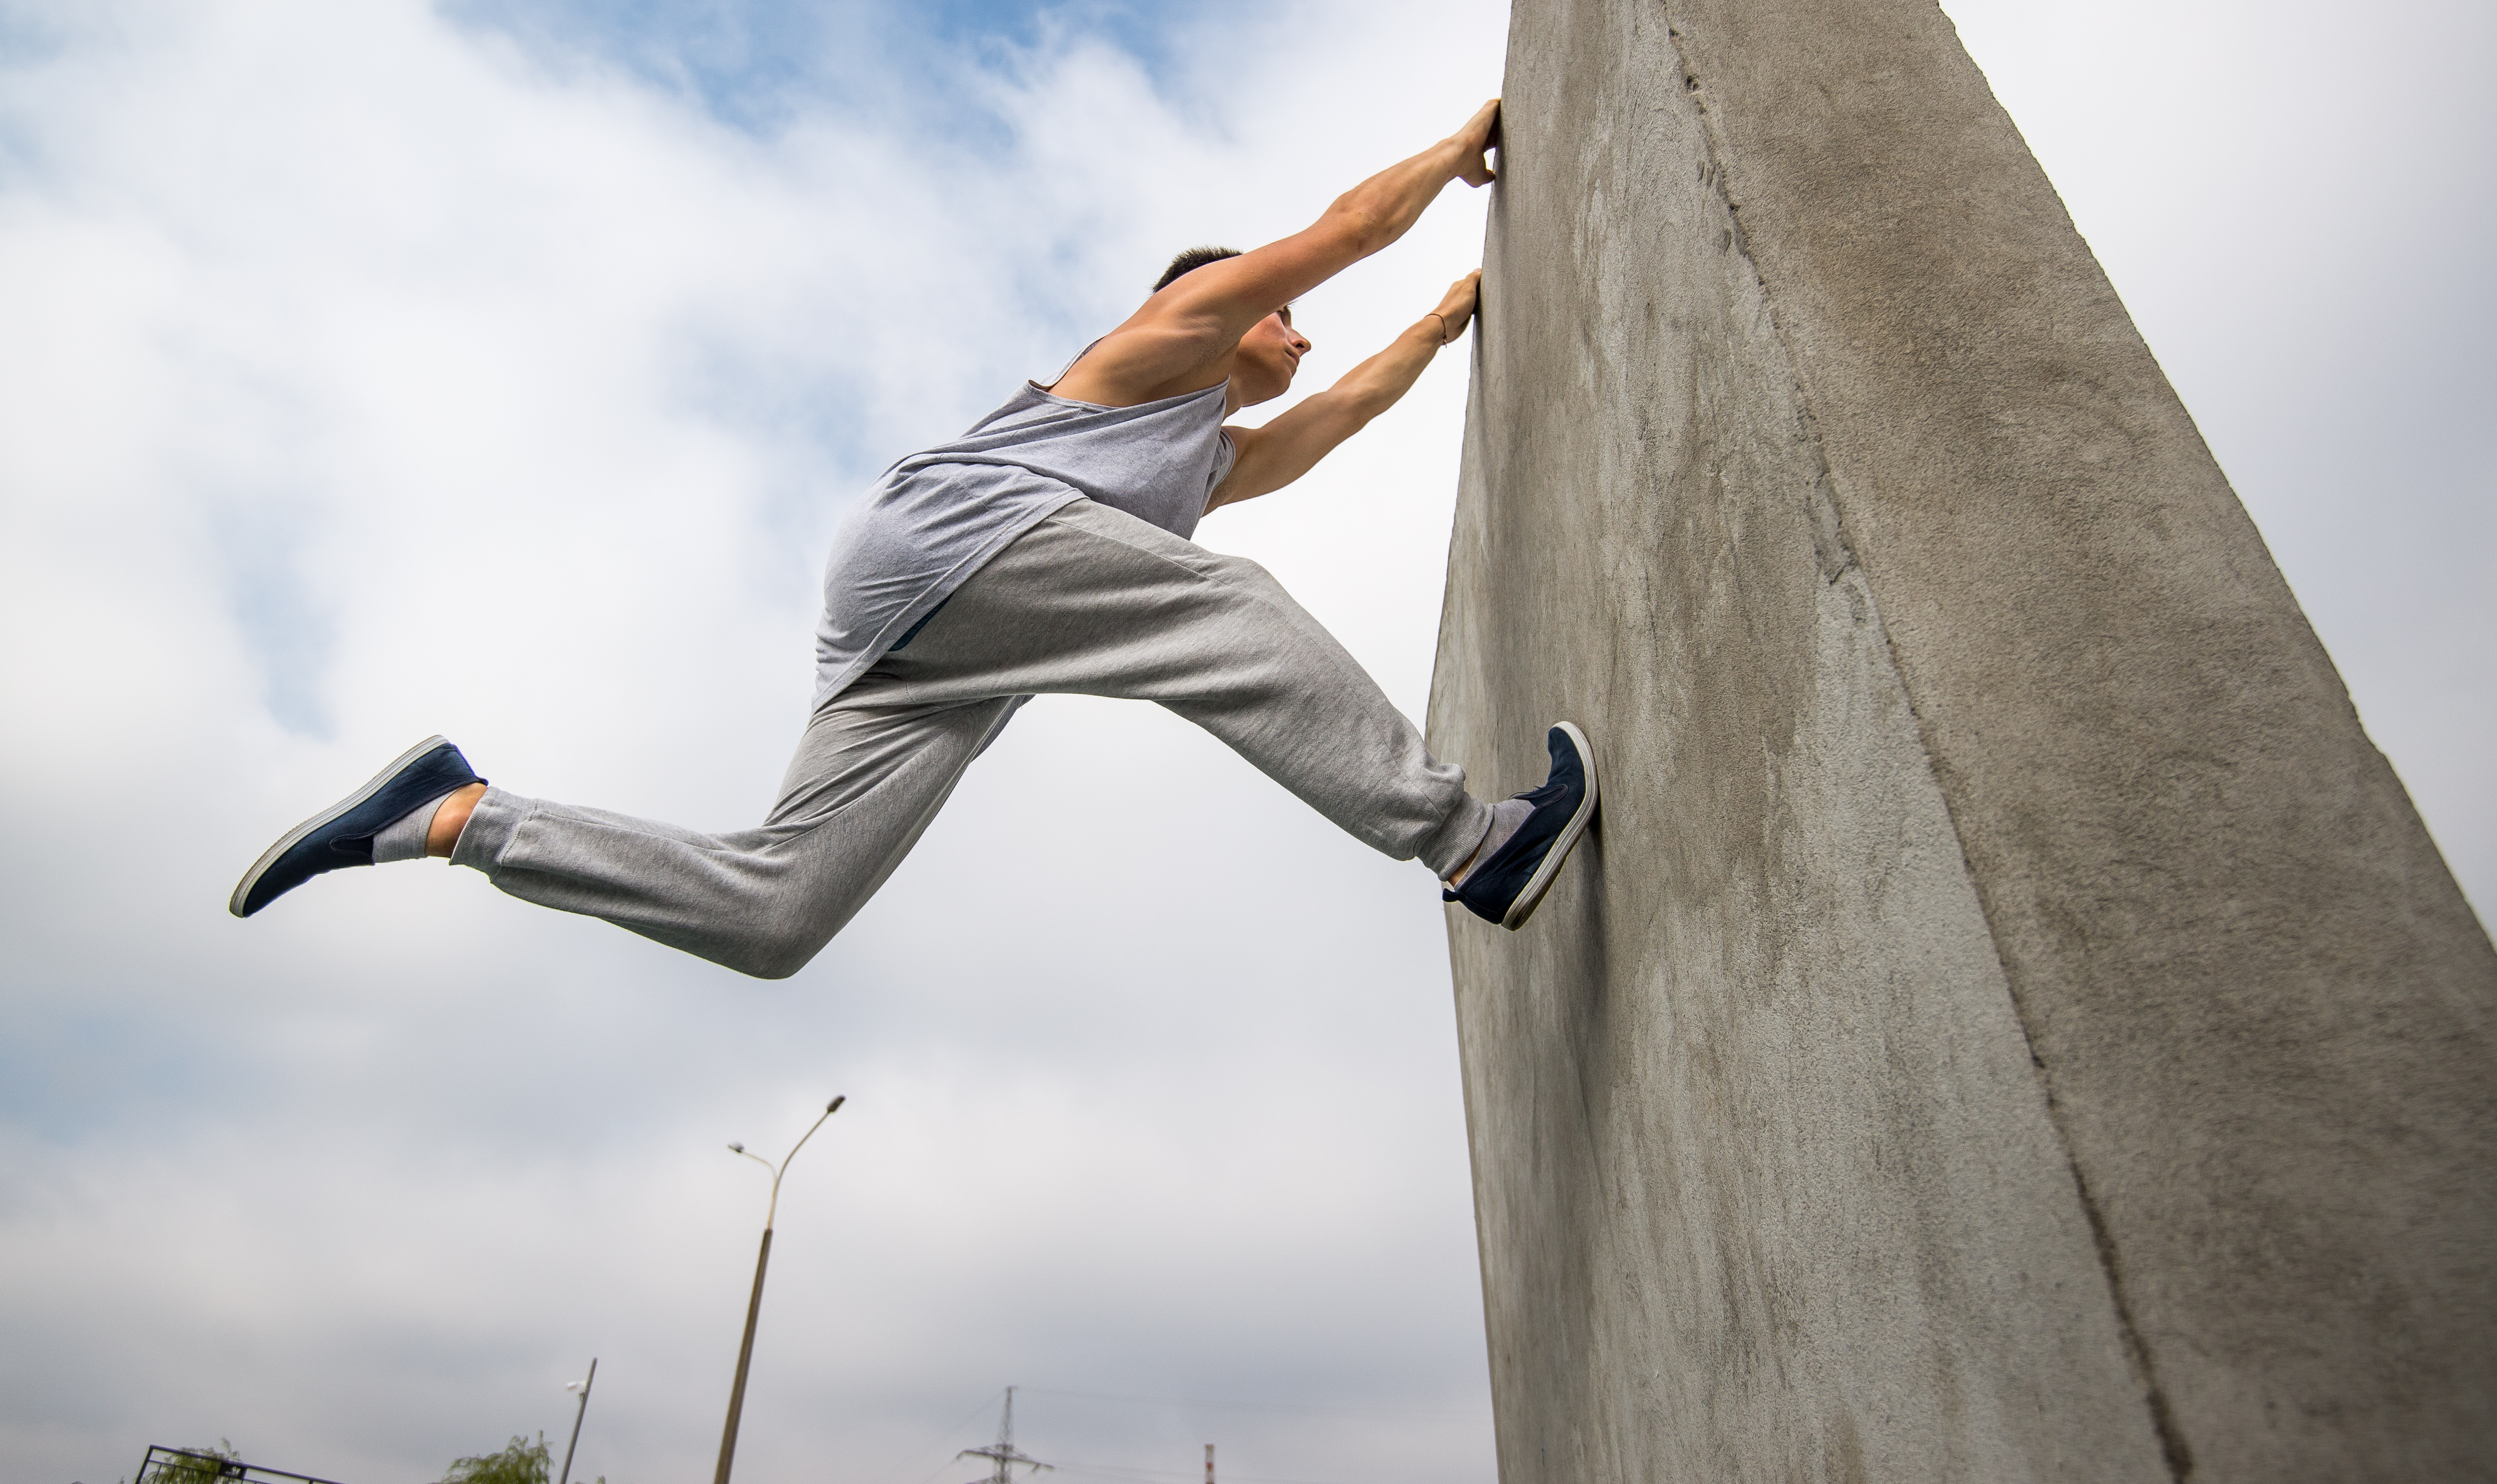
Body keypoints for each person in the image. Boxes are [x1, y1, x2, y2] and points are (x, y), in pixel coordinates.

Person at [228, 99, 1596, 971]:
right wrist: (1455, 153)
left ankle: (461, 817)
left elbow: (1335, 421)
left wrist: (1437, 321)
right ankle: (1470, 841)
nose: (1304, 336)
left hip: (923, 639)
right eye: (1285, 316)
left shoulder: (1200, 464)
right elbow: (1344, 229)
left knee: (781, 913)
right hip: (952, 543)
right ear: (1223, 306)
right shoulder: (1162, 340)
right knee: (1225, 612)